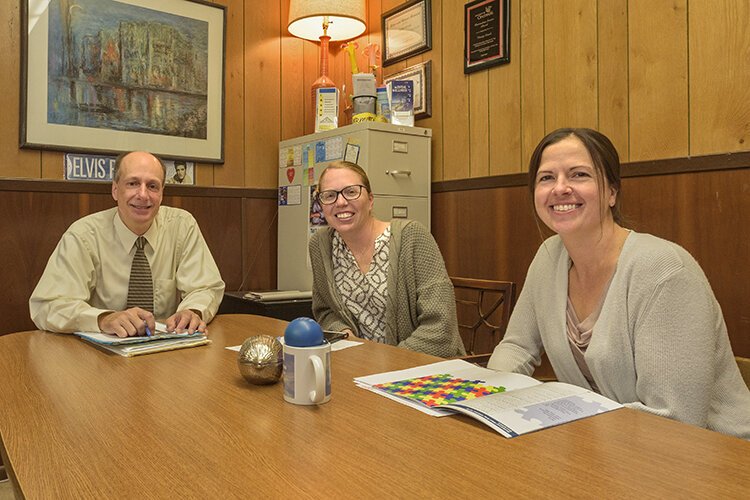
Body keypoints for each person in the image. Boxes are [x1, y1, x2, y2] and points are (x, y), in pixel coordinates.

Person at [487, 128, 750, 439]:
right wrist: (488, 398)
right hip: (610, 449)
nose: (560, 188)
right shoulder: (547, 257)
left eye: (579, 174)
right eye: (546, 178)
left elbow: (677, 418)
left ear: (611, 192)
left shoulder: (664, 271)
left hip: (713, 458)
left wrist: (564, 426)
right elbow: (517, 346)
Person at [29, 151, 225, 337]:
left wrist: (193, 311)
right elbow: (48, 306)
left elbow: (205, 287)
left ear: (162, 193)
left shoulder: (182, 226)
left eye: (152, 186)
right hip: (100, 359)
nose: (143, 195)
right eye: (132, 183)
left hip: (166, 353)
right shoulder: (83, 235)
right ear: (115, 190)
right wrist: (103, 319)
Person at [308, 160, 465, 358]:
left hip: (425, 368)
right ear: (322, 205)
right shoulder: (321, 245)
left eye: (351, 192)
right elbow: (325, 311)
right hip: (358, 367)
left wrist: (385, 361)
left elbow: (441, 328)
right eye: (329, 195)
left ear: (371, 200)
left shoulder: (412, 237)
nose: (340, 202)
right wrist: (345, 336)